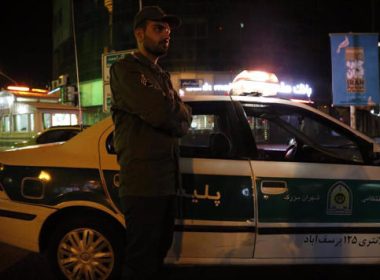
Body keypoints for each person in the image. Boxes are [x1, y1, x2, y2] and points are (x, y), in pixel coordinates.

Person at [109, 5, 192, 280]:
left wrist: (176, 113)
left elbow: (184, 118)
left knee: (159, 252)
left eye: (168, 30)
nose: (166, 34)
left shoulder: (162, 76)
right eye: (158, 28)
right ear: (139, 33)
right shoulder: (126, 70)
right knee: (140, 259)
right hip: (143, 184)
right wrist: (175, 113)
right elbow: (160, 113)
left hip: (167, 182)